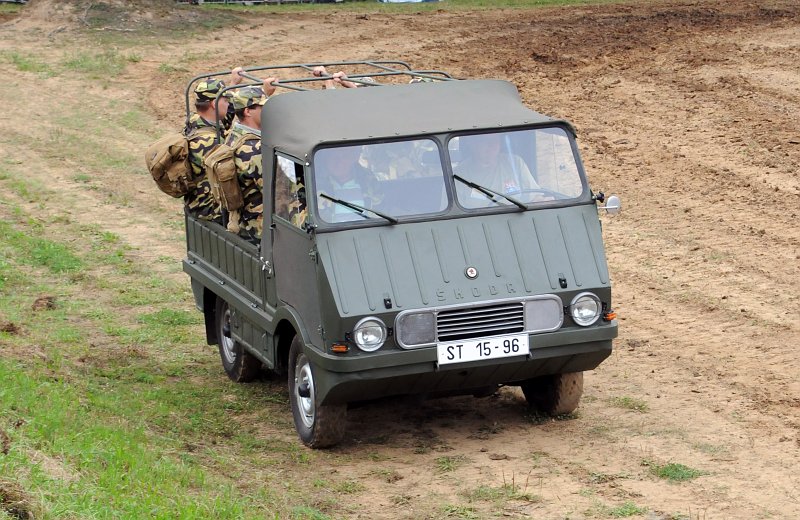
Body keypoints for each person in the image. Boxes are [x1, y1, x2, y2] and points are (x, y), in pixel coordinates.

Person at [184, 69, 244, 223]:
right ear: (213, 104)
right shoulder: (210, 140)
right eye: (225, 100)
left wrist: (233, 84)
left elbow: (224, 119)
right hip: (210, 209)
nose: (228, 103)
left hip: (199, 200)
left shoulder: (196, 121)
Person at [226, 79, 277, 243]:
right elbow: (279, 194)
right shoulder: (255, 150)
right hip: (260, 227)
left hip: (245, 220)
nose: (267, 111)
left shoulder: (235, 135)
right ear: (248, 111)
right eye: (263, 107)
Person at [452, 133, 540, 208]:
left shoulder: (515, 163)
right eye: (485, 141)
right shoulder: (459, 174)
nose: (491, 145)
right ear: (472, 144)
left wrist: (542, 201)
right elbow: (453, 216)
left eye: (495, 140)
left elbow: (534, 197)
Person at [314, 145, 383, 222]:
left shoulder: (368, 180)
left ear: (353, 158)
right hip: (331, 233)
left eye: (344, 156)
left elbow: (381, 212)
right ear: (326, 160)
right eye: (334, 157)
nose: (339, 162)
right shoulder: (315, 182)